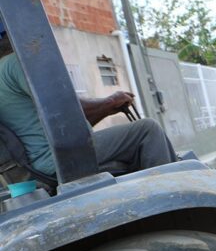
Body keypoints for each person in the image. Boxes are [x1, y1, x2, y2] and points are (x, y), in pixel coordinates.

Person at [0, 25, 177, 178]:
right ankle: (172, 205)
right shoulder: (16, 63)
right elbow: (68, 110)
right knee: (147, 130)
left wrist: (106, 108)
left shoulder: (4, 72)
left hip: (48, 158)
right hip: (59, 156)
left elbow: (70, 124)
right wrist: (110, 101)